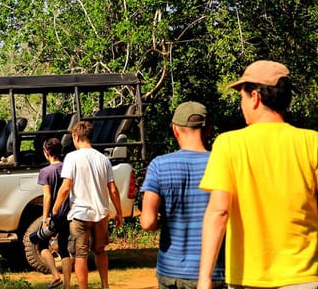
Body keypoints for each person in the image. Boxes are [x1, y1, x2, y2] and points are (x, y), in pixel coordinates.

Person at [197, 60, 318, 289]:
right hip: (303, 279)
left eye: (242, 97)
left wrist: (205, 277)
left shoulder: (228, 144)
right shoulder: (312, 142)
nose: (241, 105)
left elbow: (219, 211)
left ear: (254, 96)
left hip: (247, 279)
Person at [140, 101, 225, 289]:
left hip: (172, 272)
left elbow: (147, 222)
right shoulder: (224, 163)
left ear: (175, 130)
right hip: (217, 271)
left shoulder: (159, 166)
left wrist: (160, 220)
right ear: (209, 129)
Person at [48, 121, 123, 289]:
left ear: (76, 136)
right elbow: (113, 189)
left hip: (80, 214)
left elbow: (66, 187)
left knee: (80, 255)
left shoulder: (72, 157)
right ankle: (105, 285)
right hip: (101, 213)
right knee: (100, 250)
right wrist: (119, 212)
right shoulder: (103, 159)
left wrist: (54, 210)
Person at [37, 137, 72, 289]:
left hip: (54, 214)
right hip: (68, 213)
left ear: (46, 152)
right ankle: (67, 284)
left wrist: (45, 217)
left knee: (41, 244)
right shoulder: (67, 167)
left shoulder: (45, 171)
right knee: (64, 249)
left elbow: (47, 196)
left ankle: (55, 274)